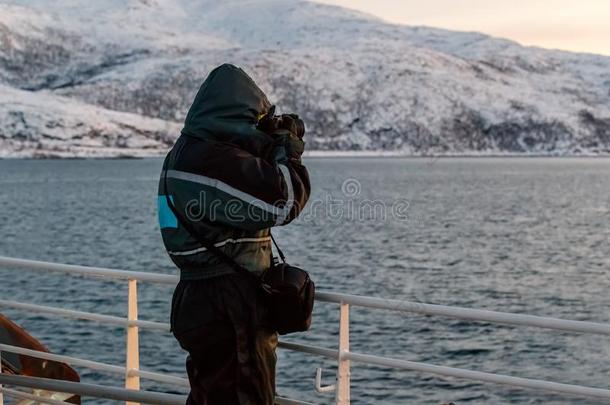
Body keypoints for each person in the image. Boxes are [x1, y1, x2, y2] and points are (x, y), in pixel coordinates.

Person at [157, 64, 310, 405]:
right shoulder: (212, 160)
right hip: (229, 306)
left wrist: (262, 147)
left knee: (210, 396)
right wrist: (288, 151)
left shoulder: (180, 156)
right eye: (256, 120)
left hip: (196, 295)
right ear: (235, 116)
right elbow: (285, 202)